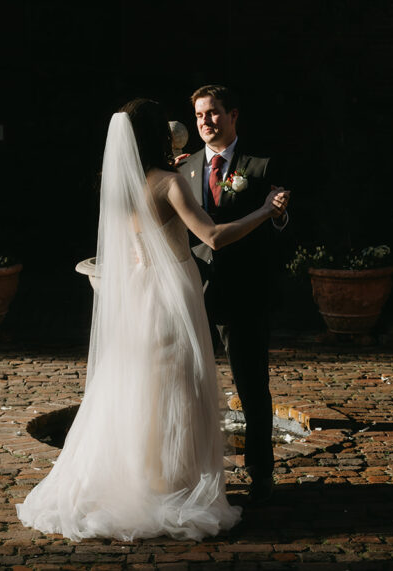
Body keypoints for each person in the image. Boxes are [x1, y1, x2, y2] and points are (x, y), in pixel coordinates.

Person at [16, 99, 290, 542]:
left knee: (141, 391)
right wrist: (262, 211)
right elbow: (214, 238)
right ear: (156, 137)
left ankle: (141, 482)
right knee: (179, 391)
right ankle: (174, 489)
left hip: (138, 297)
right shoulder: (170, 183)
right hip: (171, 297)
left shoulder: (119, 186)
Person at [177, 85, 289, 504]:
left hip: (245, 295)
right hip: (194, 294)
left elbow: (283, 224)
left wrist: (278, 214)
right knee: (189, 385)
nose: (206, 122)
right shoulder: (184, 168)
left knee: (251, 386)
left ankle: (261, 472)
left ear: (233, 115)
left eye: (214, 114)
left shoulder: (260, 166)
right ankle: (194, 469)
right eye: (200, 116)